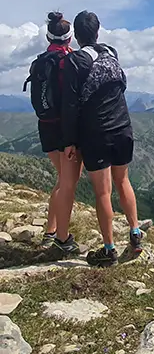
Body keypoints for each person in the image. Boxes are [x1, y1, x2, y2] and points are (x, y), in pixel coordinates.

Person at [59, 10, 142, 267]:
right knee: (123, 180)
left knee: (103, 193)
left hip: (96, 134)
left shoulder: (76, 61)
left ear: (76, 35)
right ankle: (135, 234)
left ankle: (109, 250)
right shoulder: (111, 52)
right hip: (123, 127)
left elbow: (71, 105)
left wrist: (70, 140)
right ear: (98, 31)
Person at [23, 12, 82, 248]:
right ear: (70, 39)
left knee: (62, 179)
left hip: (45, 125)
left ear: (48, 36)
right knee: (68, 180)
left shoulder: (39, 62)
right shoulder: (71, 61)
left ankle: (51, 230)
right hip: (65, 128)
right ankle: (58, 237)